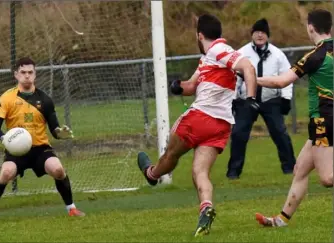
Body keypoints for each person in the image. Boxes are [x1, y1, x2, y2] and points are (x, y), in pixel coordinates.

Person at [136, 14, 259, 236]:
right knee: (199, 171)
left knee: (170, 155)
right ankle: (206, 208)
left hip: (200, 118)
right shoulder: (209, 59)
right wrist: (178, 86)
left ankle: (152, 174)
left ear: (199, 35)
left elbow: (248, 67)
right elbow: (192, 86)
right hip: (220, 126)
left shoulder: (218, 50)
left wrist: (251, 99)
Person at [0, 57, 85, 223]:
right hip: (16, 150)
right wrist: (4, 139)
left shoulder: (45, 100)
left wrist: (60, 133)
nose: (26, 76)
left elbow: (54, 130)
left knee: (58, 170)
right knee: (6, 173)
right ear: (16, 74)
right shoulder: (7, 98)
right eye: (23, 72)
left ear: (35, 75)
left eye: (30, 72)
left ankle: (71, 208)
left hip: (40, 148)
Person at [255, 9, 333, 227]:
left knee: (327, 178)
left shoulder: (314, 56)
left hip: (323, 121)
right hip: (326, 121)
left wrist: (253, 77)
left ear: (310, 28)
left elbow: (281, 82)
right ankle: (281, 220)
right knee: (300, 169)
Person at [227, 18, 296, 179]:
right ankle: (233, 172)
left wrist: (286, 98)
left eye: (263, 32)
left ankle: (290, 168)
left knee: (280, 133)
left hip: (270, 101)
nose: (259, 35)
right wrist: (233, 98)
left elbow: (286, 77)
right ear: (252, 34)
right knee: (238, 134)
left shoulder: (277, 54)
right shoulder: (241, 53)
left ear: (267, 35)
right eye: (257, 32)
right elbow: (234, 78)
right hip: (246, 100)